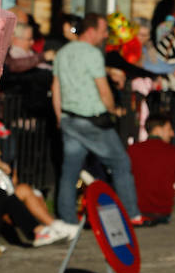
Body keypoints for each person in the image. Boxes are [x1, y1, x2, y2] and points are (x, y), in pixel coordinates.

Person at [51, 12, 146, 226]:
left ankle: (67, 220)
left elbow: (56, 87)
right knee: (121, 163)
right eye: (104, 32)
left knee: (70, 171)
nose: (105, 37)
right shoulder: (92, 54)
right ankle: (131, 214)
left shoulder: (63, 53)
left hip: (69, 119)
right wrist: (114, 109)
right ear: (92, 30)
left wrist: (60, 117)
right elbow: (103, 88)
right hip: (92, 120)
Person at [0, 143, 77, 246]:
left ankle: (54, 226)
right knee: (3, 195)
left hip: (2, 202)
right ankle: (41, 230)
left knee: (23, 189)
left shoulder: (2, 163)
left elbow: (13, 185)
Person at [126, 116, 175, 225]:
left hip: (137, 211)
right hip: (163, 212)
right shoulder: (173, 152)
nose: (172, 134)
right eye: (169, 129)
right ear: (157, 130)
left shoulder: (132, 150)